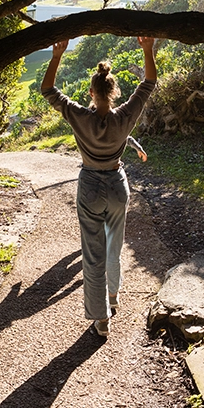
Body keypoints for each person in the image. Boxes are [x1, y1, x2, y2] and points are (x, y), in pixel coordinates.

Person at [41, 37, 157, 337]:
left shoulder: (79, 116)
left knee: (93, 255)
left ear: (91, 93)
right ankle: (114, 297)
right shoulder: (125, 116)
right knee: (114, 246)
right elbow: (148, 83)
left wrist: (57, 56)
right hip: (118, 185)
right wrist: (147, 50)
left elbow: (48, 90)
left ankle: (101, 319)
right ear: (115, 92)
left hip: (90, 184)